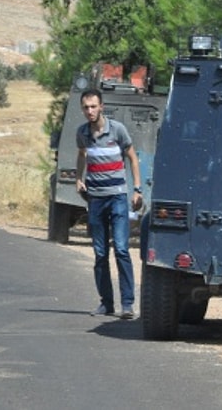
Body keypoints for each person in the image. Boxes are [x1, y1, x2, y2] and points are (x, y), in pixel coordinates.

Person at [75, 89, 142, 319]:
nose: (90, 111)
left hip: (117, 198)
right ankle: (106, 303)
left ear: (101, 106)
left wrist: (137, 189)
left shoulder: (118, 130)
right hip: (95, 198)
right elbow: (82, 155)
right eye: (86, 107)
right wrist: (78, 178)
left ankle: (127, 304)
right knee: (100, 252)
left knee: (122, 249)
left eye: (93, 106)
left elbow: (133, 158)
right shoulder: (82, 133)